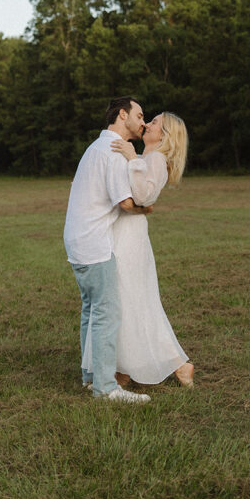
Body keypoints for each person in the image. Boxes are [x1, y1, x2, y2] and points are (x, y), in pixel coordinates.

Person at [83, 112, 194, 388]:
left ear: (164, 135)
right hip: (122, 233)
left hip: (130, 239)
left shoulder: (155, 159)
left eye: (155, 122)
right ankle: (125, 369)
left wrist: (132, 159)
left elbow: (144, 194)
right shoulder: (147, 159)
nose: (148, 124)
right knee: (127, 301)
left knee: (128, 300)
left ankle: (173, 365)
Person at [63, 96, 152, 403]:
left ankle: (90, 377)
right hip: (94, 242)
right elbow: (125, 203)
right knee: (107, 312)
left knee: (91, 309)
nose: (143, 121)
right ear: (122, 114)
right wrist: (147, 209)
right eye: (139, 115)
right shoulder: (113, 151)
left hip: (77, 240)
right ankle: (105, 388)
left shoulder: (95, 147)